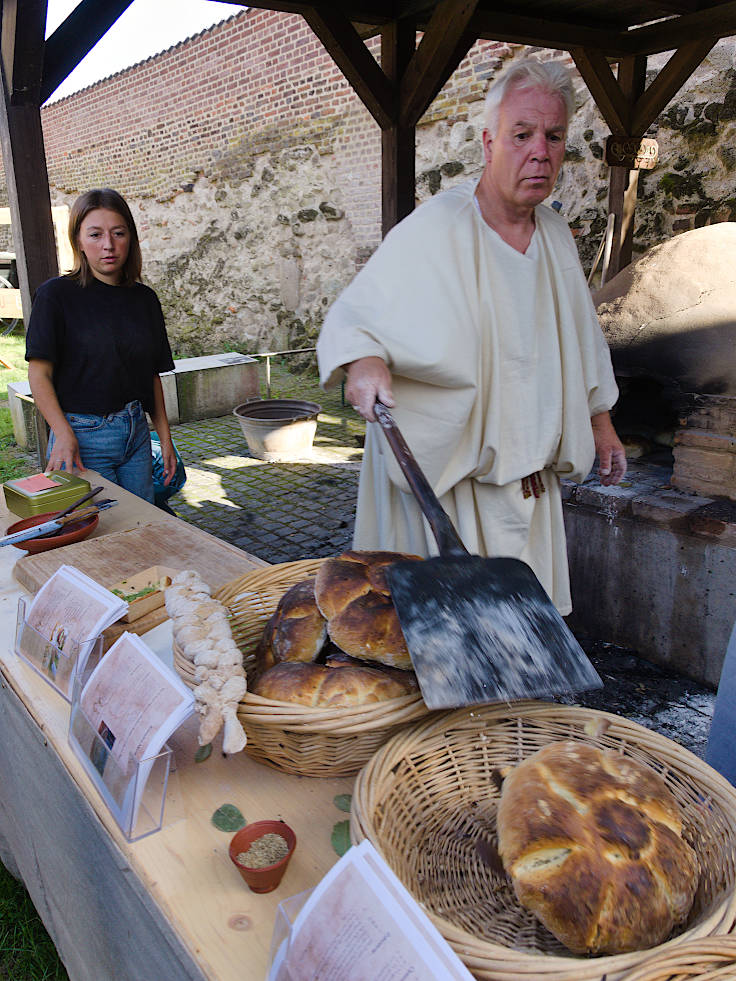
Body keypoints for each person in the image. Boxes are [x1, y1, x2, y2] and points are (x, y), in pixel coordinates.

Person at [317, 58, 627, 615]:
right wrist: (364, 361)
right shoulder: (439, 226)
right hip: (450, 491)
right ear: (489, 143)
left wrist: (601, 424)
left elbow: (581, 342)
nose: (541, 151)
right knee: (436, 651)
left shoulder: (555, 236)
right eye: (522, 134)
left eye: (554, 136)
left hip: (532, 490)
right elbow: (356, 315)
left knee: (522, 641)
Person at [25, 188, 176, 504]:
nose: (108, 245)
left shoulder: (145, 300)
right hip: (81, 437)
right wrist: (63, 433)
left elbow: (152, 377)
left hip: (135, 434)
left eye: (118, 233)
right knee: (97, 533)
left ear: (130, 238)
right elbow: (38, 374)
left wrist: (165, 438)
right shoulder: (56, 296)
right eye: (95, 234)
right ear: (78, 240)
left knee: (141, 524)